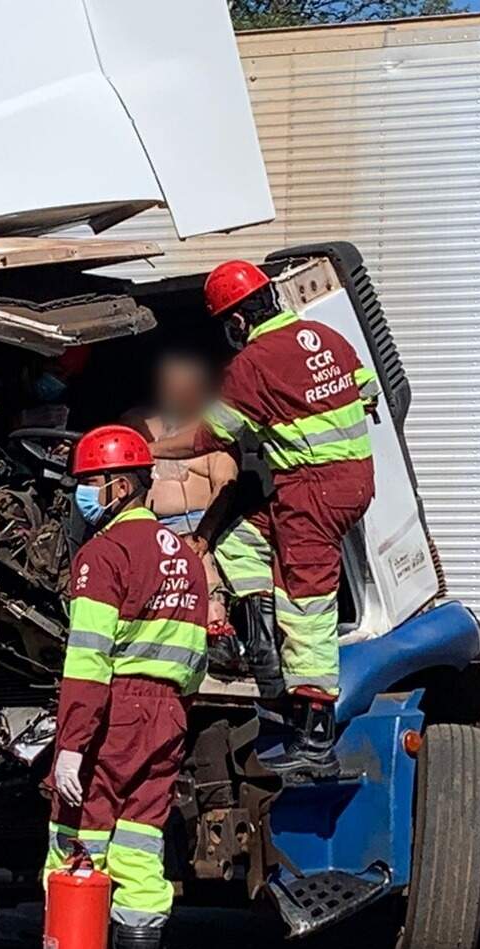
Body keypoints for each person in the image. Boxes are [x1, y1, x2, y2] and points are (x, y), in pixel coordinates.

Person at [148, 260, 378, 776]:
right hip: (350, 481)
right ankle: (262, 646)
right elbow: (367, 391)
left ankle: (315, 736)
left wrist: (153, 449)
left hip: (312, 491)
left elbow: (210, 436)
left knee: (307, 604)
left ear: (235, 322)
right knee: (236, 537)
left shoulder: (254, 363)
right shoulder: (324, 336)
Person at [44, 424, 206, 949]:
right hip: (168, 716)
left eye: (89, 483)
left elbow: (87, 662)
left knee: (76, 848)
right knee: (141, 853)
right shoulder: (183, 555)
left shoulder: (104, 557)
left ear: (118, 484)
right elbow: (193, 662)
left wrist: (71, 744)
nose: (83, 495)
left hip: (112, 716)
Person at [123, 349, 244, 670]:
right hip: (143, 525)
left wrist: (203, 536)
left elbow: (225, 487)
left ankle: (217, 633)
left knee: (200, 566)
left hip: (194, 529)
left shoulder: (214, 435)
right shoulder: (138, 423)